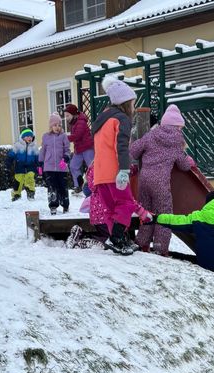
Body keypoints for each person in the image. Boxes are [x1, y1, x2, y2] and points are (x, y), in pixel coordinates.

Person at [129, 103, 195, 256]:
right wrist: (190, 161)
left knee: (147, 213)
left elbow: (134, 150)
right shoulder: (177, 141)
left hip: (144, 180)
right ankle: (160, 247)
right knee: (164, 215)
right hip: (160, 183)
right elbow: (184, 165)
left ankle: (142, 243)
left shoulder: (152, 134)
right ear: (178, 126)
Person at [91, 76, 145, 256]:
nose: (133, 107)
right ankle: (115, 239)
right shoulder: (121, 119)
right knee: (127, 204)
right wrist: (124, 170)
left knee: (111, 208)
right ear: (124, 102)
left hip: (99, 174)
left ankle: (120, 241)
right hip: (114, 172)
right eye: (132, 103)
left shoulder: (102, 119)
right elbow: (121, 146)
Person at [38, 113, 71, 215]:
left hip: (62, 167)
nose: (57, 127)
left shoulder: (63, 136)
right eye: (55, 125)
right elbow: (43, 151)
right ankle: (53, 206)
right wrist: (40, 163)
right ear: (51, 126)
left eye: (59, 125)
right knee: (52, 188)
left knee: (63, 187)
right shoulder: (45, 137)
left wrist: (65, 158)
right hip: (49, 167)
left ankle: (65, 205)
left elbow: (67, 150)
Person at [64, 103, 94, 194]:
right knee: (73, 166)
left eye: (68, 115)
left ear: (73, 114)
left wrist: (64, 138)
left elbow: (77, 135)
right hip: (79, 149)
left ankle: (95, 185)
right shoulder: (73, 122)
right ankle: (79, 185)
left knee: (92, 167)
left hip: (88, 148)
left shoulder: (81, 121)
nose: (66, 118)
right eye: (65, 116)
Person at [4, 128, 39, 202]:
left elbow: (37, 157)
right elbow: (11, 155)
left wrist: (39, 166)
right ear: (23, 137)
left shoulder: (34, 147)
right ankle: (16, 194)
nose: (29, 138)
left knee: (30, 179)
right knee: (18, 182)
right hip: (19, 168)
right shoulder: (17, 146)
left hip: (31, 167)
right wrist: (8, 163)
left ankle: (31, 193)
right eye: (27, 136)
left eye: (31, 136)